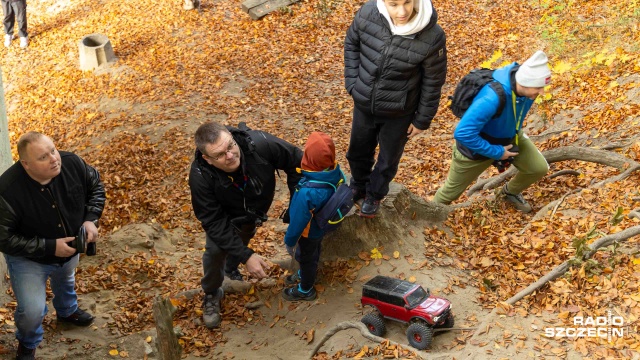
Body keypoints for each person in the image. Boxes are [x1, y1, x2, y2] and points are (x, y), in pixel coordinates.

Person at [0, 131, 105, 360]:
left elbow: (96, 186)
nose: (54, 159)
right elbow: (3, 238)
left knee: (66, 278)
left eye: (53, 151)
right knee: (32, 311)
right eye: (43, 157)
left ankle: (67, 312)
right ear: (26, 164)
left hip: (69, 248)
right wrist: (49, 247)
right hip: (28, 259)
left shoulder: (72, 163)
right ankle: (28, 343)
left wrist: (91, 218)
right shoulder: (7, 190)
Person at [189, 122, 302, 328]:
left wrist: (297, 203)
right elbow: (213, 222)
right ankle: (212, 292)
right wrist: (247, 256)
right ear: (207, 159)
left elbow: (297, 160)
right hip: (226, 214)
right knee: (215, 250)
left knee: (245, 232)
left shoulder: (259, 144)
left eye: (230, 146)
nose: (230, 155)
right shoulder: (200, 177)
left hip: (254, 207)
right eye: (220, 155)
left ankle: (231, 269)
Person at [344, 0, 447, 217]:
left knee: (388, 159)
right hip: (365, 103)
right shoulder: (368, 13)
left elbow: (433, 81)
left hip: (399, 111)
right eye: (394, 4)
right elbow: (352, 43)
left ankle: (374, 194)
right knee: (357, 151)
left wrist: (422, 120)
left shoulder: (432, 35)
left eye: (407, 3)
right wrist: (353, 82)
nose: (402, 12)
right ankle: (358, 185)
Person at [433, 51, 552, 212]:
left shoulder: (526, 91)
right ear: (524, 82)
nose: (542, 92)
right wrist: (496, 152)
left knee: (538, 168)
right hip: (475, 150)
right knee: (449, 194)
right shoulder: (491, 98)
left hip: (508, 139)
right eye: (538, 87)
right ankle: (429, 215)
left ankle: (509, 192)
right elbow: (462, 133)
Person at [282, 132, 345, 301]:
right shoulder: (334, 172)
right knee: (313, 252)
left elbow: (298, 221)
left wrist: (289, 240)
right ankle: (305, 272)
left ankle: (305, 289)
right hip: (321, 226)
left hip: (308, 232)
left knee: (306, 257)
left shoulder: (308, 192)